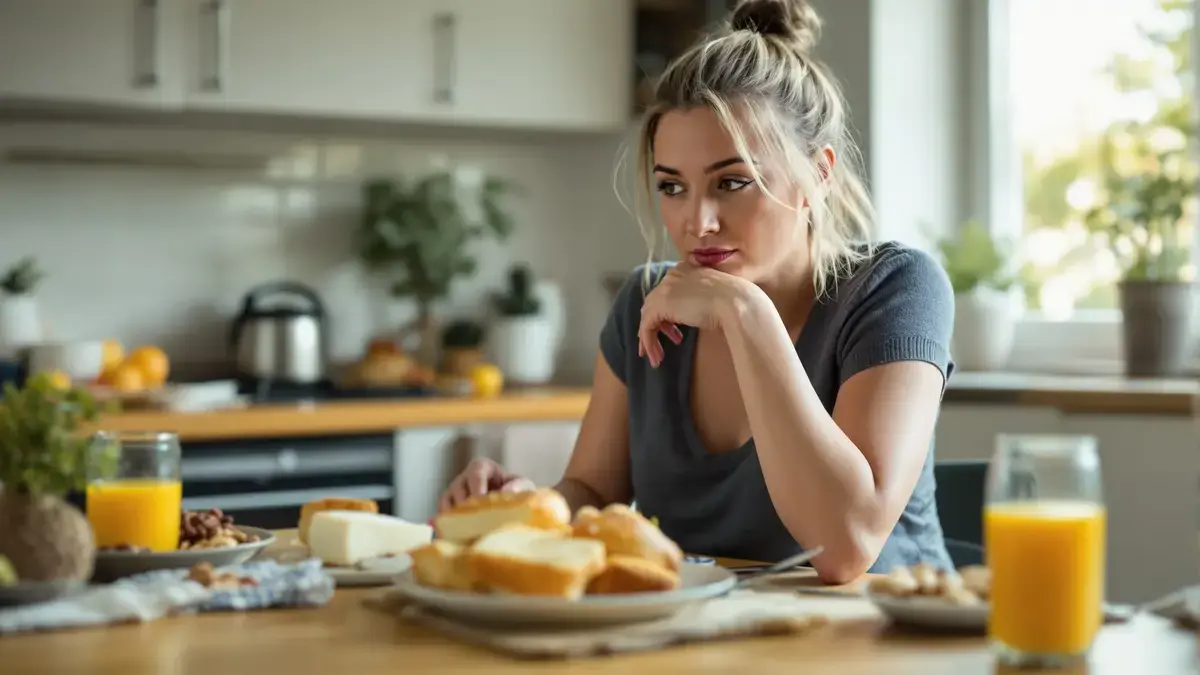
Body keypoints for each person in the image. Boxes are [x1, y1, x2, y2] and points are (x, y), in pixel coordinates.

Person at [438, 0, 955, 583]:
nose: (696, 221)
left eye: (733, 182)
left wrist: (745, 313)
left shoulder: (894, 289)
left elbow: (846, 546)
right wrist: (528, 505)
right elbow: (593, 489)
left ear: (821, 173)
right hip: (701, 644)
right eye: (672, 187)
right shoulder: (644, 300)